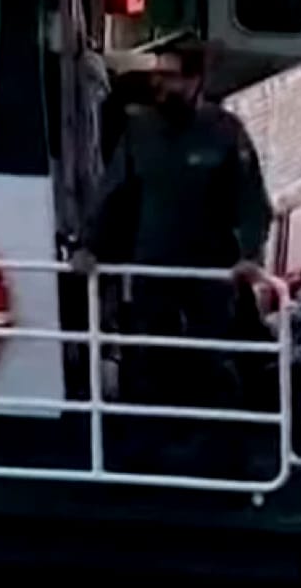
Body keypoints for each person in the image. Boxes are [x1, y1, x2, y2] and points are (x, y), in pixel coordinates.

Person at [74, 37, 273, 411]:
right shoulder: (140, 131)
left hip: (210, 271)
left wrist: (251, 256)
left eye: (170, 76)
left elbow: (251, 201)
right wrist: (90, 246)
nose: (159, 83)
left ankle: (216, 432)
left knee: (211, 361)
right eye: (158, 74)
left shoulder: (226, 132)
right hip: (153, 266)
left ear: (195, 81)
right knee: (148, 360)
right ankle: (146, 434)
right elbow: (114, 196)